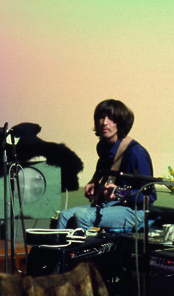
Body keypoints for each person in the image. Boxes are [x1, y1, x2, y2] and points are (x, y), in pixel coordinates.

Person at [56, 99, 156, 231]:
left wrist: (120, 192)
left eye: (111, 119)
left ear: (120, 123)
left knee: (82, 217)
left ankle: (85, 251)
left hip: (134, 210)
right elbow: (102, 168)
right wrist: (94, 181)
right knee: (63, 216)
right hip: (110, 205)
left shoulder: (136, 154)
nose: (104, 122)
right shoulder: (103, 147)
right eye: (101, 117)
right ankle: (58, 251)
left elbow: (150, 196)